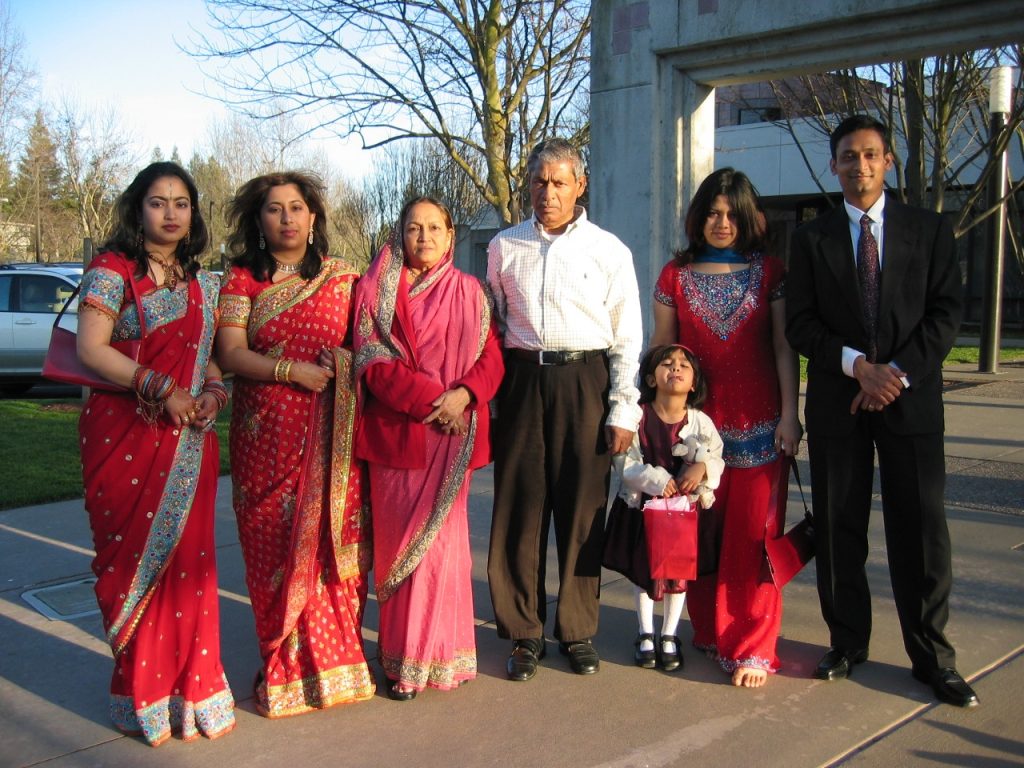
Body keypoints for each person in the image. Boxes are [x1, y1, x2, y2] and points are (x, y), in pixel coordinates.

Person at [786, 115, 977, 707]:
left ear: (888, 161)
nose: (859, 165)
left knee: (919, 529)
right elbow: (800, 322)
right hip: (839, 402)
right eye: (848, 156)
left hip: (911, 403)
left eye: (870, 155)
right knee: (841, 527)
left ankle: (932, 657)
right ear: (833, 165)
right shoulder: (811, 239)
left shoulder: (929, 230)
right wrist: (856, 367)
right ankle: (846, 642)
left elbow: (947, 314)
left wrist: (894, 374)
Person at [76, 161, 236, 746]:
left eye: (181, 203)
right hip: (125, 437)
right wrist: (162, 388)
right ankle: (143, 697)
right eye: (157, 202)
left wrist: (214, 393)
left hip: (190, 439)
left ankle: (195, 694)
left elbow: (210, 359)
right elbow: (92, 350)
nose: (170, 213)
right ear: (138, 209)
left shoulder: (203, 282)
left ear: (193, 213)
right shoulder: (111, 271)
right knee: (129, 566)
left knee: (192, 569)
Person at [216, 171, 375, 717]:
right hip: (268, 438)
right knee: (274, 554)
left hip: (334, 441)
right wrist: (291, 371)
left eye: (296, 208)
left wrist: (343, 361)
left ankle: (338, 668)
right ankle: (284, 672)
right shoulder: (240, 281)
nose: (287, 218)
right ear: (258, 221)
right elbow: (232, 354)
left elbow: (368, 346)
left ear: (313, 217)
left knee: (333, 551)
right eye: (274, 210)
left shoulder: (345, 279)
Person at [487, 138, 644, 680]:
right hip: (523, 379)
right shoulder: (504, 246)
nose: (547, 193)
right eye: (538, 182)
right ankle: (523, 631)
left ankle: (576, 629)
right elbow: (493, 327)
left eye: (558, 182)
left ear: (580, 185)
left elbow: (627, 336)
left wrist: (624, 408)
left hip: (586, 380)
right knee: (520, 508)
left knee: (581, 509)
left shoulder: (609, 250)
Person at [651, 167, 801, 688]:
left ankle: (754, 645)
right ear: (698, 216)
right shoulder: (675, 274)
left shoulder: (771, 272)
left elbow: (784, 346)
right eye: (713, 212)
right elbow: (662, 353)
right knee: (705, 534)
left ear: (750, 218)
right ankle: (713, 630)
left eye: (732, 213)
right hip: (697, 433)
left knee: (753, 539)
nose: (722, 222)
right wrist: (659, 427)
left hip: (762, 427)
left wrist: (790, 414)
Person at [353, 196, 504, 701]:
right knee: (402, 553)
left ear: (450, 234)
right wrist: (431, 402)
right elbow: (371, 361)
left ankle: (442, 656)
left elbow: (491, 358)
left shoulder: (470, 291)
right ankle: (402, 661)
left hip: (452, 434)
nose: (425, 237)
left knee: (443, 551)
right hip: (401, 436)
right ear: (399, 233)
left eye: (435, 228)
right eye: (414, 228)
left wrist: (462, 396)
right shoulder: (374, 292)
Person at [603, 344, 724, 672]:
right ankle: (645, 632)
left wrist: (702, 470)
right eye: (667, 363)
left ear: (694, 382)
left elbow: (716, 456)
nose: (676, 368)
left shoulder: (700, 422)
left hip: (684, 515)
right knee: (645, 573)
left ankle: (669, 634)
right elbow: (624, 460)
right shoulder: (639, 417)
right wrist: (653, 478)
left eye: (685, 365)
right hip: (643, 511)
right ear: (651, 378)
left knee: (678, 573)